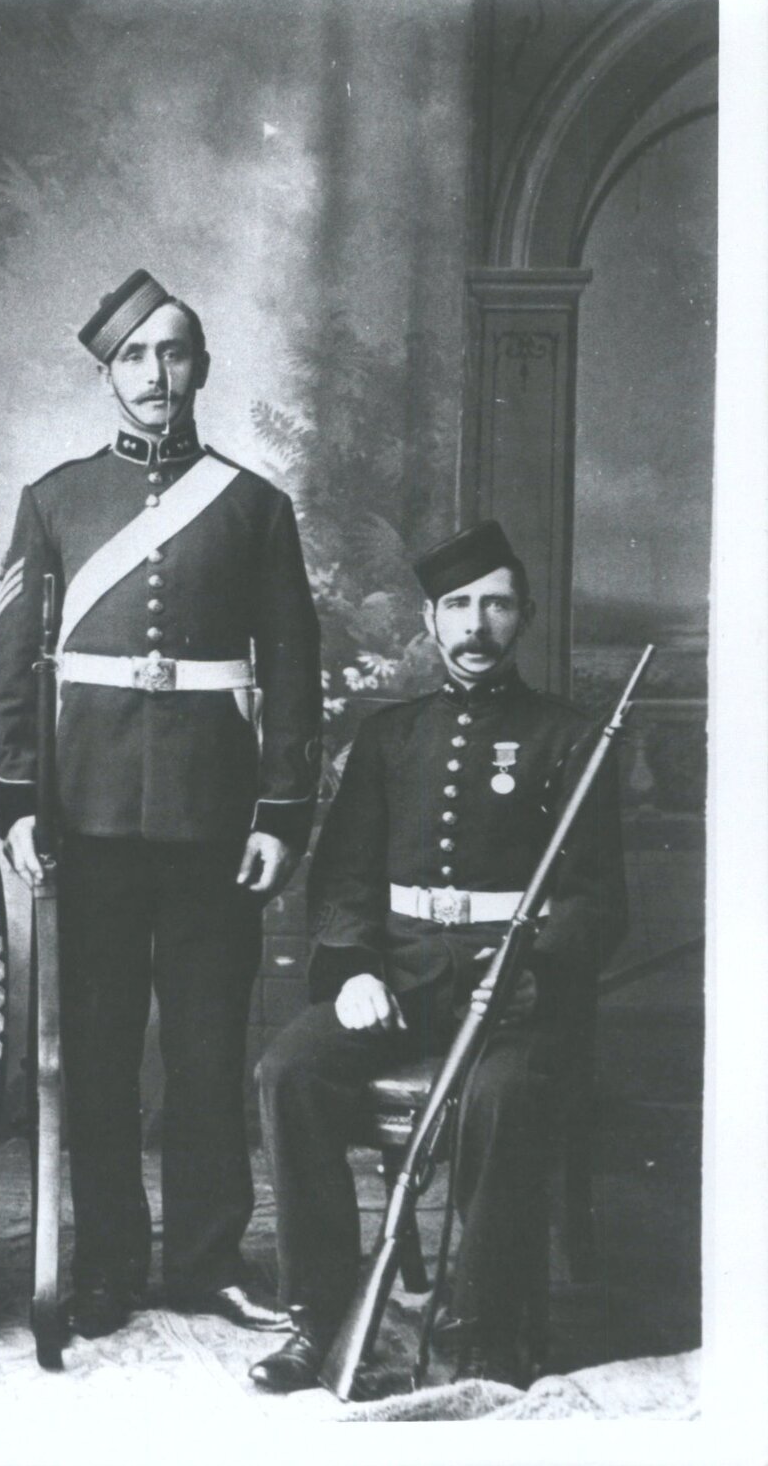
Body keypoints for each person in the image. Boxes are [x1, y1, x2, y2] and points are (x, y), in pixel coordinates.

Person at [0, 268, 322, 1338]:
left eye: (172, 352)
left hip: (214, 821)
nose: (154, 374)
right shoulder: (55, 502)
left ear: (201, 368)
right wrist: (17, 801)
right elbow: (10, 669)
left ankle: (208, 1261)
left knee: (207, 1052)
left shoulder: (255, 507)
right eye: (133, 356)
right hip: (85, 818)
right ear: (107, 377)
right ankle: (107, 1265)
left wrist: (279, 813)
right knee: (95, 1055)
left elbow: (293, 671)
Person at [249, 521, 625, 1393]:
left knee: (499, 1096)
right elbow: (342, 879)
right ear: (429, 620)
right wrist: (353, 969)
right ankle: (316, 1317)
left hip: (514, 993)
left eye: (495, 604)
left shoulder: (571, 737)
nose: (475, 623)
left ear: (522, 616)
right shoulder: (390, 737)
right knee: (287, 1070)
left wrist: (532, 973)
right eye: (457, 605)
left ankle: (487, 1331)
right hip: (402, 977)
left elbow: (597, 901)